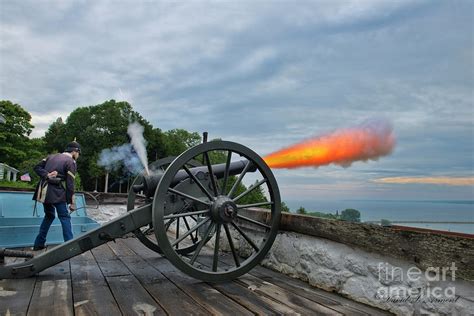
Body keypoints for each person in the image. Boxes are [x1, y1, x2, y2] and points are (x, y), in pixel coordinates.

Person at [32, 141, 81, 250]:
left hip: (44, 192)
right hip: (56, 193)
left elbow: (37, 168)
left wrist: (46, 175)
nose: (78, 156)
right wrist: (72, 203)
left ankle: (38, 244)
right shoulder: (71, 162)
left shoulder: (51, 157)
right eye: (78, 154)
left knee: (49, 216)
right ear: (75, 152)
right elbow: (70, 184)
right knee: (64, 217)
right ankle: (70, 247)